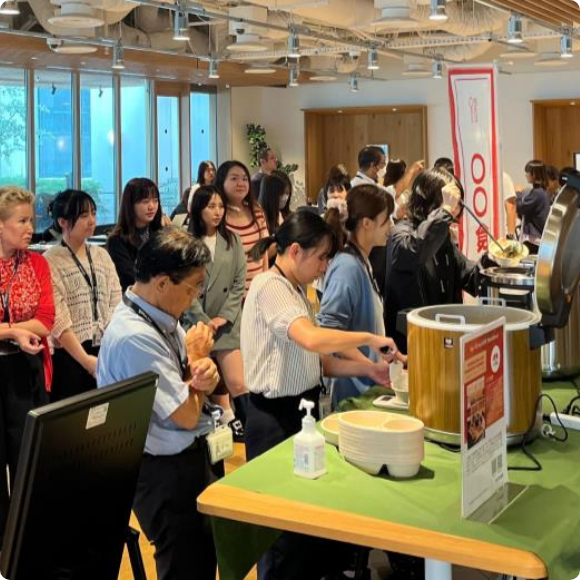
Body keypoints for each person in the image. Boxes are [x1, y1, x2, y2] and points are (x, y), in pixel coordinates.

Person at [96, 228, 221, 580]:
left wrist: (200, 373)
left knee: (200, 556)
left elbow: (192, 382)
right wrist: (198, 360)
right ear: (163, 283)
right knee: (184, 563)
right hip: (162, 470)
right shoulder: (135, 335)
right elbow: (184, 413)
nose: (196, 295)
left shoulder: (158, 317)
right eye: (194, 286)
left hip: (185, 458)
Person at [0, 186, 55, 542]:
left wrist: (11, 331)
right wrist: (14, 332)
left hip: (27, 367)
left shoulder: (37, 262)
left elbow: (47, 317)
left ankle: (28, 539)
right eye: (21, 221)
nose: (29, 228)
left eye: (31, 220)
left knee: (28, 460)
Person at [317, 184, 397, 406]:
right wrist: (370, 368)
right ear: (367, 223)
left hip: (368, 388)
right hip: (353, 395)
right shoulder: (347, 267)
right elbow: (330, 332)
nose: (390, 226)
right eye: (386, 219)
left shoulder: (361, 260)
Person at [385, 169, 480, 353]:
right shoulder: (400, 234)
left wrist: (492, 260)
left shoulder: (442, 237)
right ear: (428, 201)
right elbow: (417, 250)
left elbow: (469, 277)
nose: (455, 207)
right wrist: (444, 213)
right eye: (448, 200)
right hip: (412, 345)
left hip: (444, 340)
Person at [44, 189, 122, 402]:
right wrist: (86, 360)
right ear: (62, 221)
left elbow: (116, 300)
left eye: (94, 214)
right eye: (84, 216)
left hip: (104, 347)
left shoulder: (101, 254)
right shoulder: (50, 261)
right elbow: (58, 319)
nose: (92, 221)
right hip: (70, 355)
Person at [184, 185, 249, 439]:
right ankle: (218, 427)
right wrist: (203, 319)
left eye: (221, 206)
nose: (217, 212)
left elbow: (238, 282)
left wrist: (226, 315)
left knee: (237, 381)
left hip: (228, 322)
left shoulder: (232, 240)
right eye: (211, 206)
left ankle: (248, 427)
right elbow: (185, 287)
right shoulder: (187, 241)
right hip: (197, 323)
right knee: (201, 379)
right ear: (198, 209)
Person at [216, 160, 269, 295]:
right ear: (221, 182)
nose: (241, 183)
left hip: (256, 291)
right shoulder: (218, 216)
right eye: (234, 178)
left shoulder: (257, 211)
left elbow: (264, 253)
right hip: (229, 297)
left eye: (245, 179)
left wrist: (264, 284)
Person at [107, 178, 167, 292]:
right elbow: (131, 278)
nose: (152, 206)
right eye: (145, 201)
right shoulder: (117, 241)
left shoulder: (160, 233)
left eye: (155, 200)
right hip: (136, 301)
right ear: (130, 205)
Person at [516, 160, 551, 254]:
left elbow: (520, 207)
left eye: (527, 172)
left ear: (534, 174)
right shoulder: (542, 191)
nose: (526, 175)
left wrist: (518, 193)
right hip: (538, 238)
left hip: (534, 240)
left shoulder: (537, 193)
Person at [258, 172, 292, 266]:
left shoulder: (286, 215)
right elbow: (262, 257)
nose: (286, 197)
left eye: (288, 193)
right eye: (283, 194)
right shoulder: (260, 219)